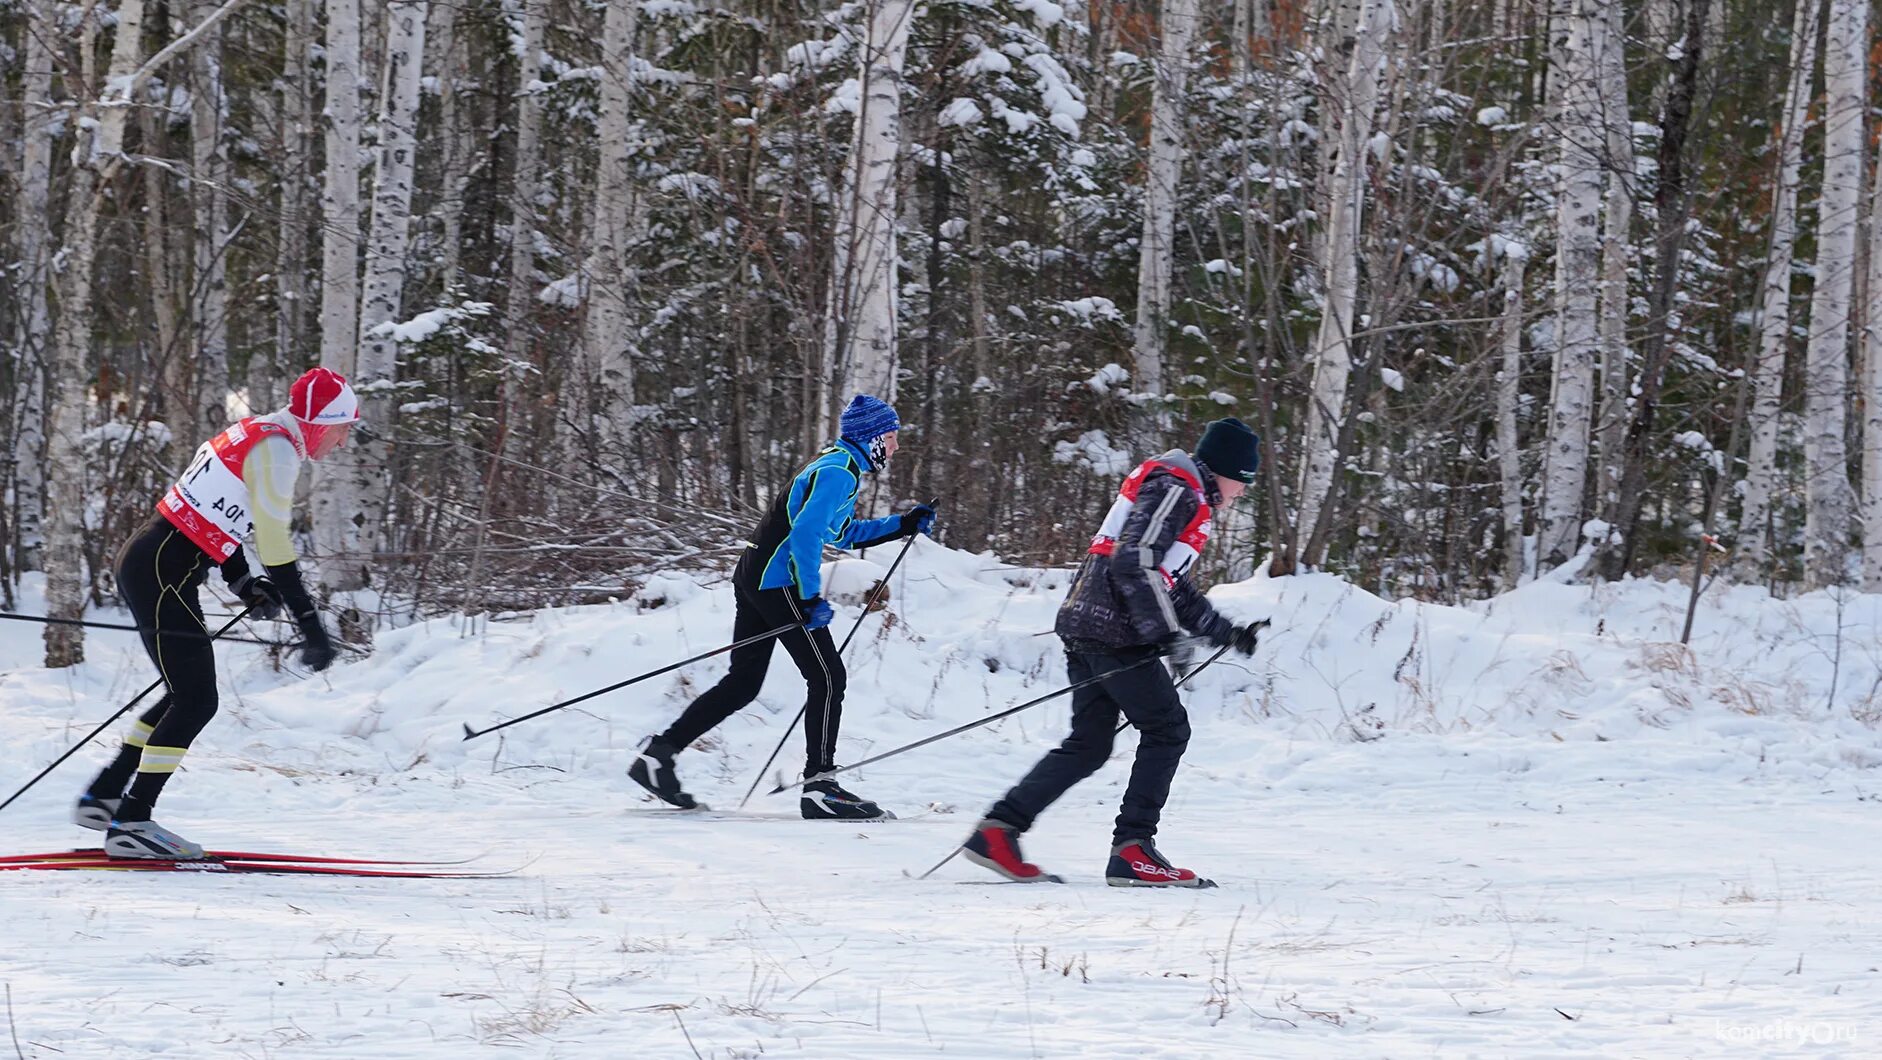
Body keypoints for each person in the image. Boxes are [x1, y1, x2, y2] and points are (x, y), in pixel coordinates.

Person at [961, 417, 1266, 886]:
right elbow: (1132, 561)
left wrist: (1223, 631)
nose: (1242, 492)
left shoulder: (1181, 490)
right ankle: (1133, 849)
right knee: (1167, 730)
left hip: (1091, 623)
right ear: (1224, 469)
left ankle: (999, 832)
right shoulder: (1177, 490)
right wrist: (1164, 635)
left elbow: (1167, 580)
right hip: (1115, 631)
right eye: (1242, 480)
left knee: (1089, 744)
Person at [74, 367, 356, 858]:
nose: (344, 440)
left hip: (157, 560)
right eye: (343, 427)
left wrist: (241, 579)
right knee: (198, 700)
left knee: (184, 694)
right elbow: (275, 542)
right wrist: (310, 625)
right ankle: (132, 823)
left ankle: (106, 794)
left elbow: (213, 510)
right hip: (162, 567)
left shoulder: (257, 432)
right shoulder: (279, 452)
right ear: (320, 421)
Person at [629, 395, 935, 819]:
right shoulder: (838, 473)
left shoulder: (833, 464)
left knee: (744, 683)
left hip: (754, 576)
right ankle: (821, 786)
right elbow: (807, 537)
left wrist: (901, 524)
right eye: (892, 436)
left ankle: (657, 757)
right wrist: (810, 597)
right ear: (873, 437)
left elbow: (841, 534)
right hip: (778, 583)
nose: (896, 446)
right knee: (828, 677)